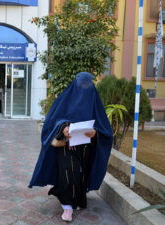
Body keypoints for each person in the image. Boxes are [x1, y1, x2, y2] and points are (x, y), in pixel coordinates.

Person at [28, 72, 113, 222]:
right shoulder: (64, 100)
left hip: (86, 150)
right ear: (75, 84)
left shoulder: (95, 102)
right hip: (66, 147)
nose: (84, 89)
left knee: (80, 176)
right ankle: (67, 207)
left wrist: (95, 133)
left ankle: (78, 199)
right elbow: (52, 122)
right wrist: (63, 128)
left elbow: (104, 128)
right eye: (82, 85)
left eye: (88, 86)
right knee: (68, 174)